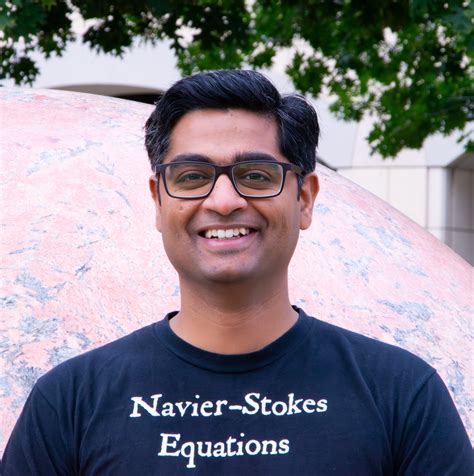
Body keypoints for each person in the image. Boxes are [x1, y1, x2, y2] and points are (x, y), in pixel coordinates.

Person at [1, 70, 471, 475]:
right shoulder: (71, 401)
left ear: (305, 199)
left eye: (256, 175)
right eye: (191, 177)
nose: (224, 201)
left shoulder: (400, 394)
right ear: (158, 201)